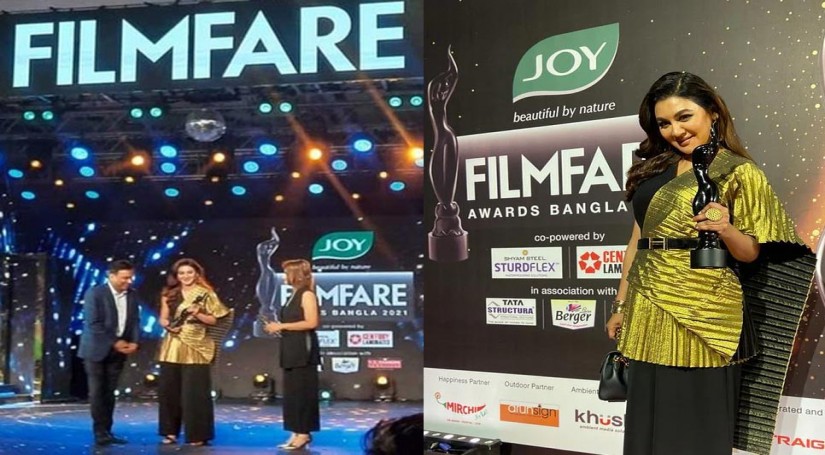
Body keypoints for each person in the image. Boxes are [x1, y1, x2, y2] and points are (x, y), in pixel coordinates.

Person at [605, 71, 807, 454]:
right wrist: (621, 303)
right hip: (649, 307)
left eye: (684, 117)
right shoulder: (654, 170)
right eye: (664, 123)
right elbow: (637, 241)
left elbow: (749, 252)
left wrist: (725, 228)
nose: (675, 131)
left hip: (705, 310)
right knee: (648, 417)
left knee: (697, 420)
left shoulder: (738, 171)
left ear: (712, 112)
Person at [156, 258, 229, 446]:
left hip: (197, 345)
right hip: (172, 345)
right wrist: (168, 326)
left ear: (197, 274)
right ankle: (170, 432)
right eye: (181, 273)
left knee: (196, 394)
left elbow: (214, 320)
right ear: (176, 275)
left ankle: (198, 435)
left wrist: (198, 314)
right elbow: (163, 318)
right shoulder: (169, 294)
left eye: (189, 272)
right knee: (169, 392)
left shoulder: (206, 294)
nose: (186, 276)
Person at [77, 259, 140, 446]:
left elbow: (135, 321)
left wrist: (135, 341)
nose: (128, 281)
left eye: (130, 277)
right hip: (95, 351)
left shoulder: (132, 295)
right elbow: (93, 323)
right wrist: (115, 342)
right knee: (97, 392)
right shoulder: (95, 293)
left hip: (118, 353)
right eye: (124, 278)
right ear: (111, 276)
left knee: (109, 393)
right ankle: (100, 433)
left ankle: (107, 430)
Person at [264, 259, 320, 450]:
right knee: (293, 394)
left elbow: (312, 322)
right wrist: (278, 328)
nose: (284, 277)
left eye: (287, 273)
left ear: (295, 275)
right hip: (290, 349)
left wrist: (282, 326)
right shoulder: (293, 294)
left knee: (303, 392)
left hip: (303, 352)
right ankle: (296, 431)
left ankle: (303, 433)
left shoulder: (307, 294)